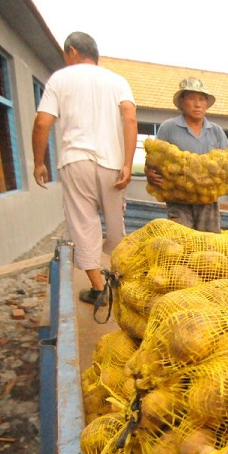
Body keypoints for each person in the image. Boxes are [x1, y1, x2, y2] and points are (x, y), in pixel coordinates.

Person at [32, 31, 138, 306]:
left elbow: (43, 123)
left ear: (72, 51)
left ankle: (99, 288)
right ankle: (121, 279)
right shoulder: (117, 81)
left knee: (83, 223)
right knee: (116, 224)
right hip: (113, 163)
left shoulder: (60, 79)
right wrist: (127, 163)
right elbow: (129, 117)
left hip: (76, 160)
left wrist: (38, 161)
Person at [144, 77, 228, 233]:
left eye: (202, 99)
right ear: (182, 102)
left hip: (208, 202)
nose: (197, 104)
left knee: (209, 243)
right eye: (192, 98)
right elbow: (153, 162)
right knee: (182, 241)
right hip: (178, 200)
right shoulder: (168, 128)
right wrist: (149, 173)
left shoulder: (216, 131)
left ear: (207, 104)